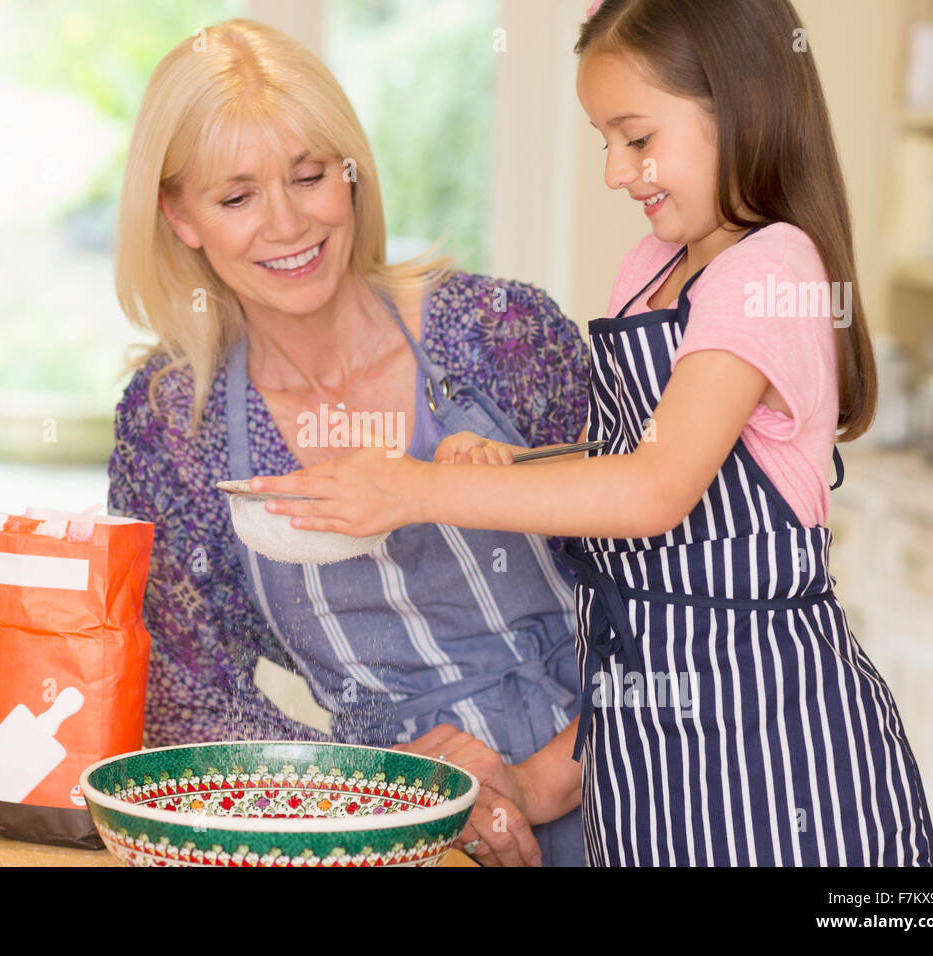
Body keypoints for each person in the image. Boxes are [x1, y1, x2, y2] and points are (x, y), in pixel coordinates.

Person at [251, 0, 933, 866]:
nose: (617, 171)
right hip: (647, 759)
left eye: (638, 138)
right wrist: (516, 465)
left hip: (772, 754)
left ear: (742, 103)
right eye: (602, 140)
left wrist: (416, 486)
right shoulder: (651, 268)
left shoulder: (773, 270)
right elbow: (630, 469)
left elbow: (655, 491)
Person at [107, 18, 594, 865]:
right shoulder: (173, 425)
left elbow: (678, 594)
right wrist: (386, 784)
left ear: (351, 175)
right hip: (388, 827)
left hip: (630, 778)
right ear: (178, 215)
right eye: (236, 197)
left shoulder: (498, 334)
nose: (288, 225)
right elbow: (186, 694)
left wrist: (546, 779)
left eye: (308, 177)